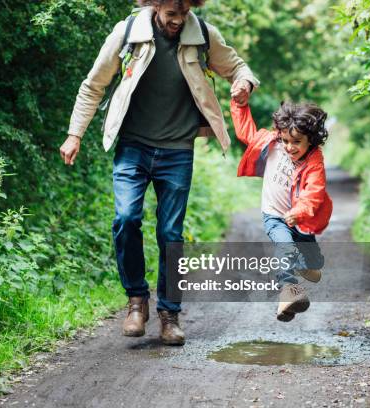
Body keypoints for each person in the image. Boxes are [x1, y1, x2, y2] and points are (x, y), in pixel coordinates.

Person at [59, 0, 259, 345]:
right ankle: (137, 301)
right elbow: (94, 84)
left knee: (171, 233)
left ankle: (170, 315)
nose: (178, 21)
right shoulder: (128, 33)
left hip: (178, 150)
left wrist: (244, 85)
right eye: (171, 14)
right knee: (125, 219)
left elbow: (239, 68)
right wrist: (74, 133)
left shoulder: (203, 36)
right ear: (155, 6)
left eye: (184, 13)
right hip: (133, 147)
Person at [230, 98, 332, 322]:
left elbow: (315, 190)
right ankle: (288, 295)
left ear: (310, 140)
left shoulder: (314, 160)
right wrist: (239, 104)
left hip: (300, 220)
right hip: (274, 216)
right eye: (286, 140)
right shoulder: (272, 143)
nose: (289, 147)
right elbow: (246, 131)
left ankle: (306, 266)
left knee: (312, 266)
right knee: (285, 249)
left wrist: (301, 211)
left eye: (296, 142)